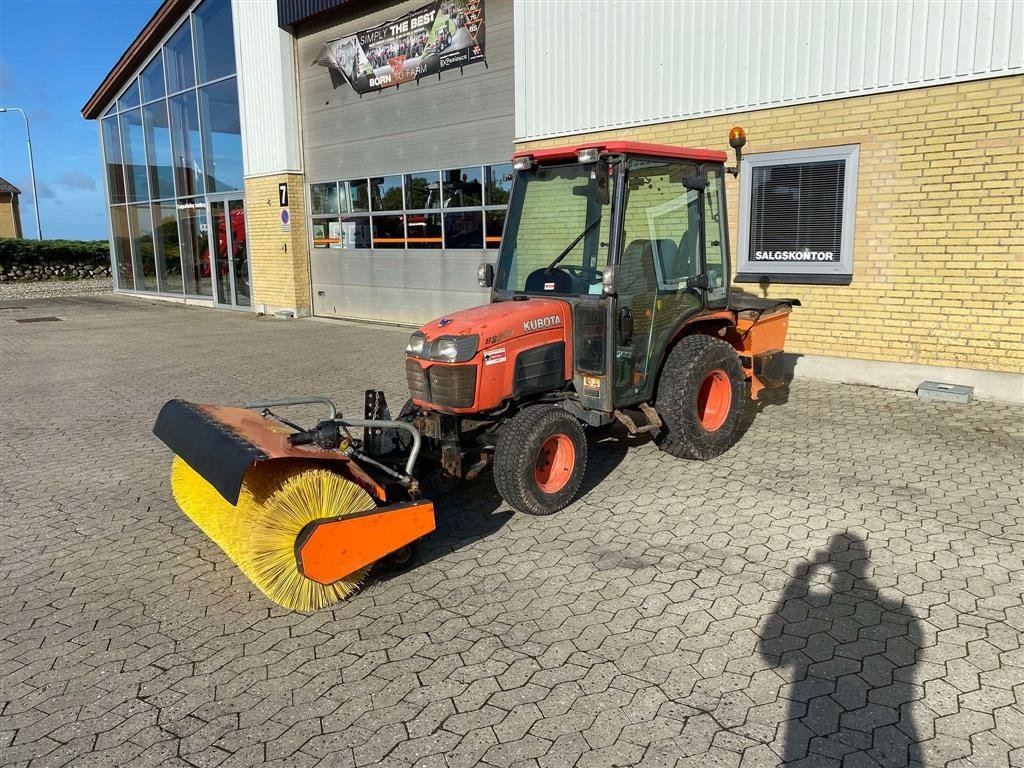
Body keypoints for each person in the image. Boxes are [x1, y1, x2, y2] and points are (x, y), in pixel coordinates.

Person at [758, 532, 923, 766]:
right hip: (893, 717)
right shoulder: (899, 612)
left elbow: (771, 654)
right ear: (865, 561)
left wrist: (805, 573)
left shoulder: (818, 604)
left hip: (811, 710)